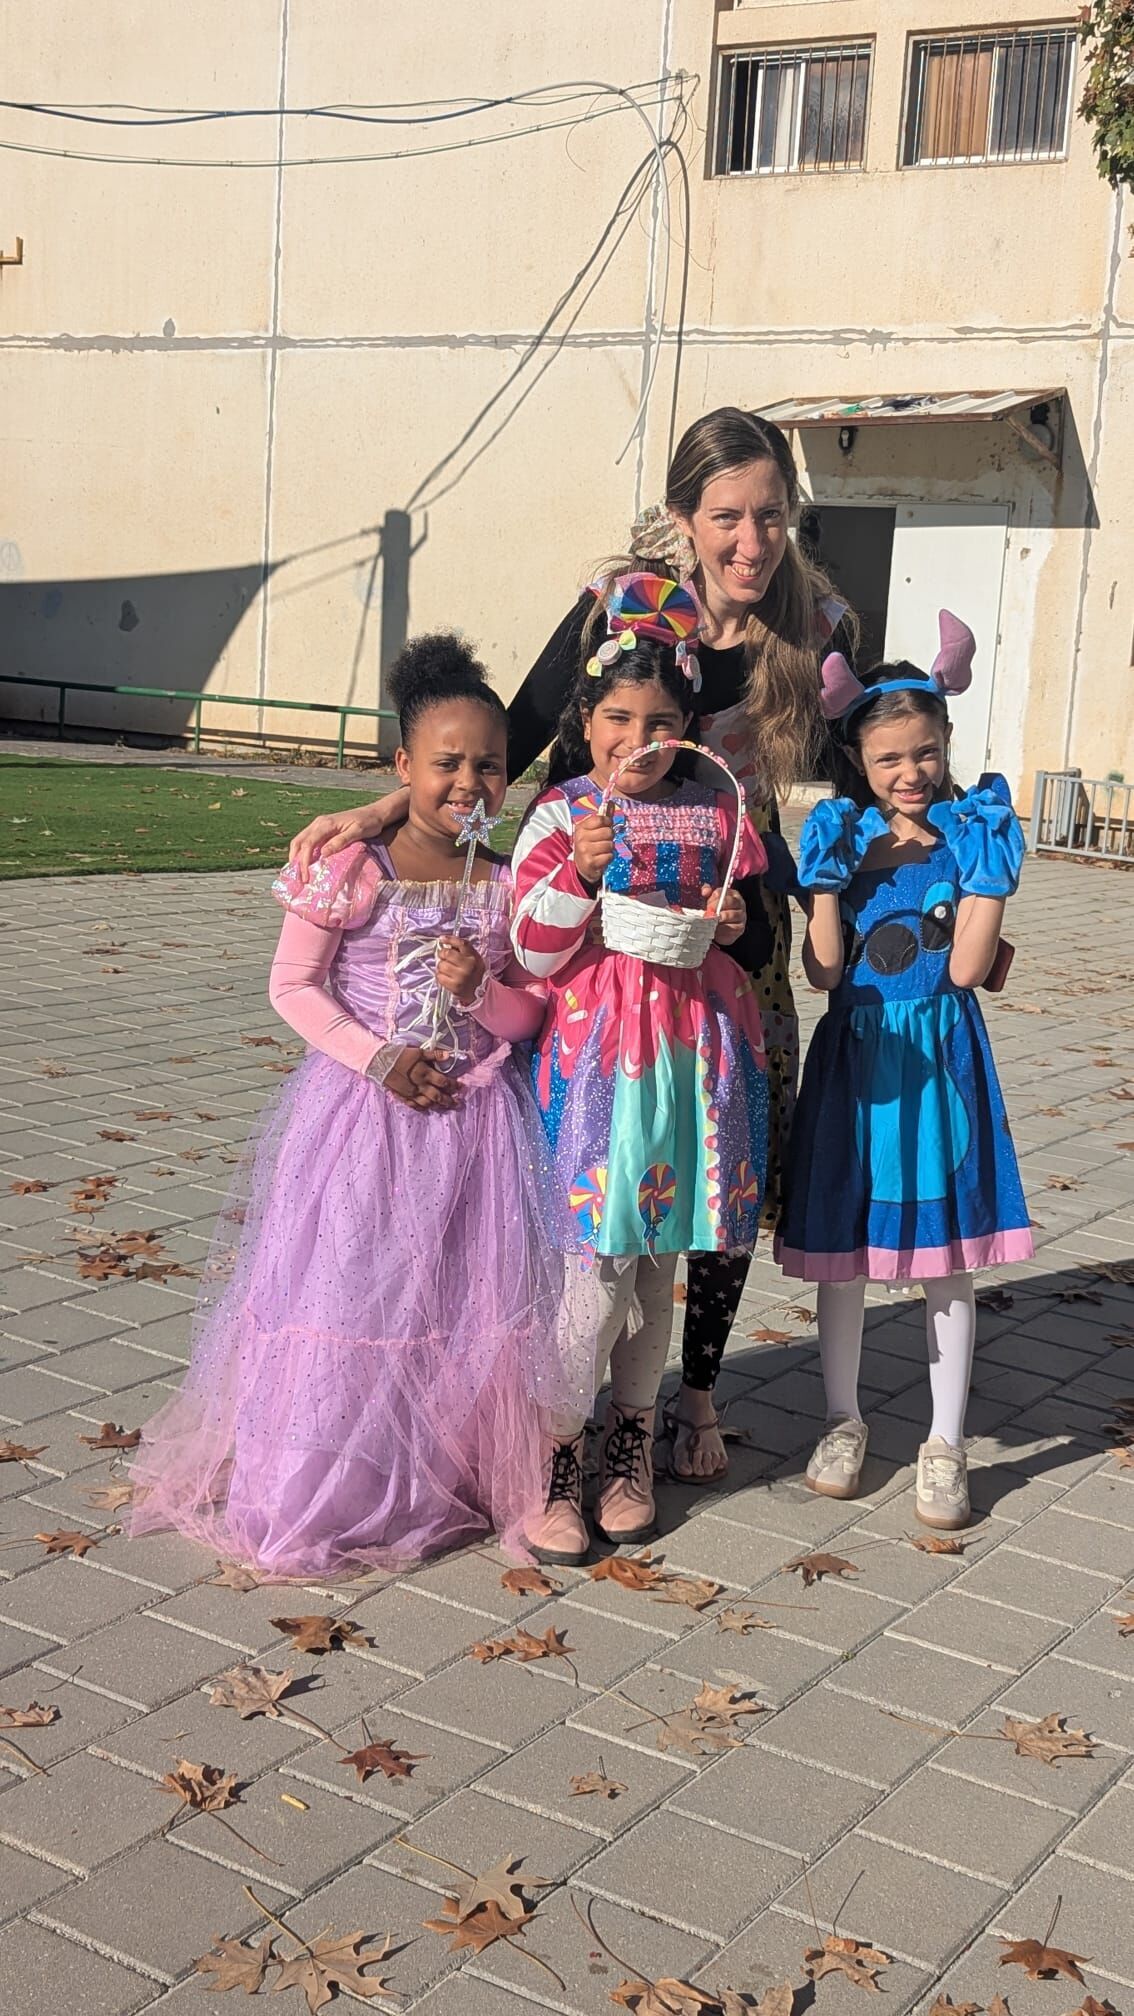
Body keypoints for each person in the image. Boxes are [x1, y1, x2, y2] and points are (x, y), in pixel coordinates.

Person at [287, 408, 850, 1484]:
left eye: (771, 516)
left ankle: (689, 1396)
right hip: (592, 911)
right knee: (592, 1164)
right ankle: (553, 1409)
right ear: (683, 517)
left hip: (728, 918)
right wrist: (384, 810)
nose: (751, 542)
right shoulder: (622, 603)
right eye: (726, 517)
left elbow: (866, 762)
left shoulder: (815, 627)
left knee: (725, 1164)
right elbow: (514, 725)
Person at [131, 637, 587, 1576]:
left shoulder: (508, 885)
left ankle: (440, 1470)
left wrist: (479, 996)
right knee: (354, 1287)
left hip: (476, 1127)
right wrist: (379, 1060)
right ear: (403, 766)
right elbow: (293, 986)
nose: (469, 783)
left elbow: (530, 1013)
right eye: (448, 763)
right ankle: (332, 1480)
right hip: (364, 1121)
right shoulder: (353, 866)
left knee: (459, 1297)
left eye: (490, 766)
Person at [509, 572, 770, 1563]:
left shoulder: (712, 807)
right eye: (618, 717)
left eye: (662, 721)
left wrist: (733, 923)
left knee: (658, 1269)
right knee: (592, 1274)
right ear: (585, 721)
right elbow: (533, 951)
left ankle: (631, 1441)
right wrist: (580, 873)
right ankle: (556, 1452)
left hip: (688, 1067)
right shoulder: (561, 815)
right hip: (598, 1072)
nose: (639, 738)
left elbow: (741, 928)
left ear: (689, 727)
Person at [776, 613, 1033, 1531]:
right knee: (844, 1256)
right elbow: (823, 973)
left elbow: (965, 969)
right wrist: (823, 885)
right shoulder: (844, 845)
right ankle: (842, 1421)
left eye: (925, 752)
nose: (910, 772)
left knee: (947, 1258)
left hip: (940, 1068)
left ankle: (945, 1442)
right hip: (856, 1068)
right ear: (858, 758)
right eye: (888, 758)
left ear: (947, 741)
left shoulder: (969, 841)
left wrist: (989, 879)